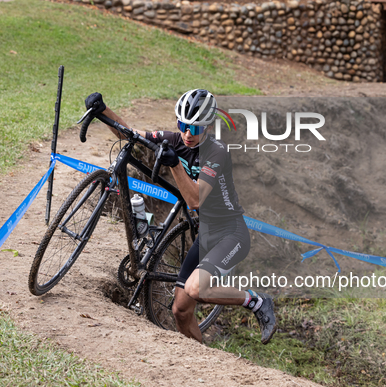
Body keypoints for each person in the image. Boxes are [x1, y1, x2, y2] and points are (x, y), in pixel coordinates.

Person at [85, 89, 277, 344]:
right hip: (206, 233)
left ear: (207, 127)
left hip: (231, 233)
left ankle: (256, 301)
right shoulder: (174, 140)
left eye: (195, 129)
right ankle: (203, 360)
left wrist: (175, 165)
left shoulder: (216, 152)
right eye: (183, 125)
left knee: (196, 289)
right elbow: (129, 134)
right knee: (181, 310)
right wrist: (103, 112)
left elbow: (195, 199)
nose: (188, 133)